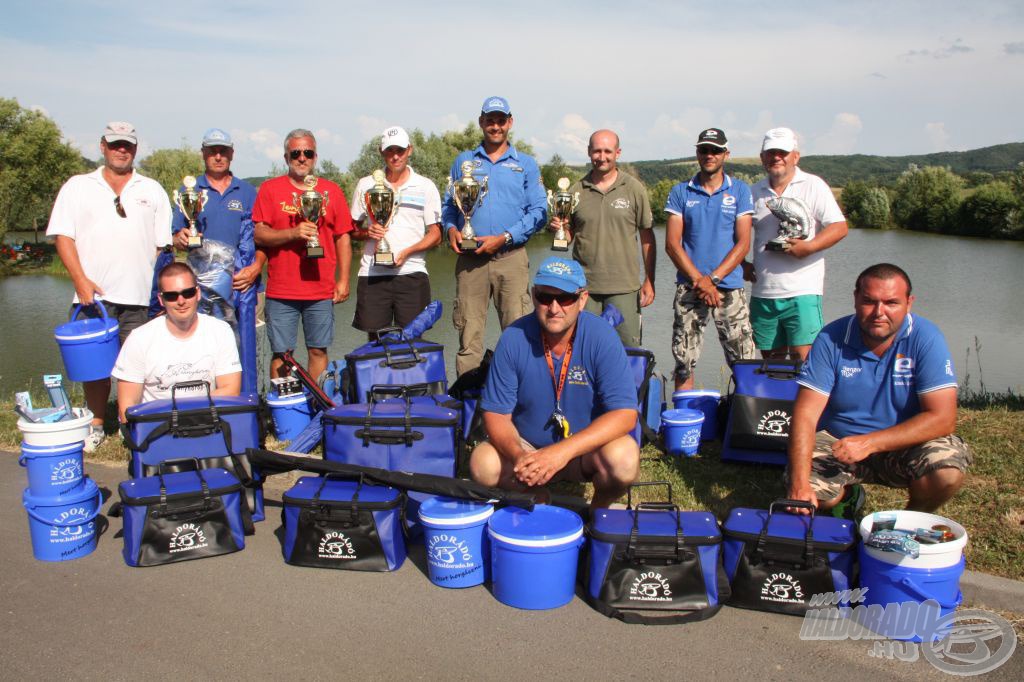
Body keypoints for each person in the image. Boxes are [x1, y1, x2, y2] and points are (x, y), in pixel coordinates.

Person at [786, 263, 971, 516]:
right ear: (855, 299)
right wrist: (798, 484)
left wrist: (870, 443)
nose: (879, 312)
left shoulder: (927, 338)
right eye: (869, 301)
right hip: (838, 442)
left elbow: (943, 418)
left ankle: (908, 522)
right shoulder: (831, 338)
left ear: (909, 303)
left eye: (891, 303)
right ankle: (846, 498)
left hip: (905, 444)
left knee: (946, 473)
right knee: (811, 498)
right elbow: (806, 413)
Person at [469, 257, 640, 509]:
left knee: (624, 459)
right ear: (533, 295)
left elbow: (625, 415)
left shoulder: (602, 337)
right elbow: (496, 414)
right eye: (545, 297)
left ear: (582, 300)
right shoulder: (513, 338)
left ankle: (599, 511)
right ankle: (536, 499)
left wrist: (561, 453)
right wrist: (520, 457)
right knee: (482, 463)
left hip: (583, 451)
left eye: (566, 298)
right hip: (526, 448)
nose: (554, 308)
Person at [46, 121, 172, 451]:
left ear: (135, 148)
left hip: (140, 298)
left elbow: (162, 246)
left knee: (139, 367)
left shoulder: (152, 189)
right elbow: (63, 236)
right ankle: (97, 424)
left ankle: (131, 424)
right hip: (92, 296)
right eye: (115, 143)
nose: (121, 149)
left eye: (127, 144)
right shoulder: (77, 186)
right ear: (102, 146)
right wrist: (80, 280)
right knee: (95, 369)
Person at [442, 96, 547, 376]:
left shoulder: (526, 164)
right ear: (481, 122)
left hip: (510, 258)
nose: (496, 126)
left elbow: (540, 211)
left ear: (510, 123)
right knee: (469, 340)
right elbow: (449, 208)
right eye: (490, 120)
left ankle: (521, 405)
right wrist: (451, 229)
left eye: (501, 120)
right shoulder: (463, 162)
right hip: (470, 261)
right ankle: (469, 405)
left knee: (521, 336)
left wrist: (506, 237)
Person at [253, 129, 353, 380]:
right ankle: (283, 410)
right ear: (286, 157)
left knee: (318, 350)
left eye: (307, 152)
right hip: (281, 290)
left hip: (321, 289)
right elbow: (260, 235)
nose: (301, 158)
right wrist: (292, 233)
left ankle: (317, 406)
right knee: (281, 354)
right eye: (295, 153)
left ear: (315, 157)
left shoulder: (331, 191)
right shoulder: (269, 189)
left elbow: (343, 236)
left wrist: (343, 280)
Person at [665, 128, 756, 390]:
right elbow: (672, 244)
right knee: (684, 361)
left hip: (729, 287)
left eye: (715, 150)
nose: (709, 155)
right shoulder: (681, 191)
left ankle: (742, 425)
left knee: (743, 360)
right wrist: (700, 281)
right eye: (704, 149)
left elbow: (743, 244)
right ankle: (685, 426)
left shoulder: (739, 190)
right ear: (697, 153)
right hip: (690, 288)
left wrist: (713, 279)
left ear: (726, 154)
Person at [747, 127, 848, 361]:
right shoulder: (754, 192)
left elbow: (839, 227)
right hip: (763, 293)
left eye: (782, 152)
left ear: (795, 156)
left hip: (802, 292)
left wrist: (809, 247)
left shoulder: (814, 185)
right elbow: (734, 234)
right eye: (770, 152)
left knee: (806, 362)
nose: (776, 158)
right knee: (771, 364)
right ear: (762, 158)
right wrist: (741, 264)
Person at [550, 129, 655, 348]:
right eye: (597, 151)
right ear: (589, 152)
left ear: (618, 152)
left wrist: (649, 280)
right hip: (584, 289)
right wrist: (559, 229)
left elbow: (647, 237)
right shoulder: (576, 190)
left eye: (607, 151)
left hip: (624, 288)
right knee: (584, 350)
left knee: (628, 353)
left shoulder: (634, 189)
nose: (602, 156)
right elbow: (568, 237)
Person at [113, 262, 241, 421]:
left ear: (198, 293)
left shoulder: (221, 331)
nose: (181, 301)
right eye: (171, 296)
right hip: (158, 426)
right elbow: (127, 404)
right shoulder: (139, 339)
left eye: (187, 293)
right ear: (161, 299)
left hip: (207, 421)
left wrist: (185, 413)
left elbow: (231, 389)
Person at [350, 126, 442, 337]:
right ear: (381, 152)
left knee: (413, 344)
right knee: (375, 346)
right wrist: (367, 232)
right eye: (390, 150)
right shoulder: (366, 185)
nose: (395, 156)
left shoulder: (425, 186)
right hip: (373, 274)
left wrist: (408, 252)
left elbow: (436, 234)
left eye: (400, 150)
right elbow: (351, 231)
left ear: (409, 150)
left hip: (412, 273)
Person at [171, 128, 263, 292]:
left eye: (223, 151)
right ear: (203, 153)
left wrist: (255, 268)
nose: (218, 157)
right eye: (213, 152)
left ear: (232, 154)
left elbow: (263, 239)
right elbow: (173, 237)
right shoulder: (189, 191)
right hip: (202, 283)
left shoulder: (248, 191)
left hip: (242, 283)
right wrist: (179, 239)